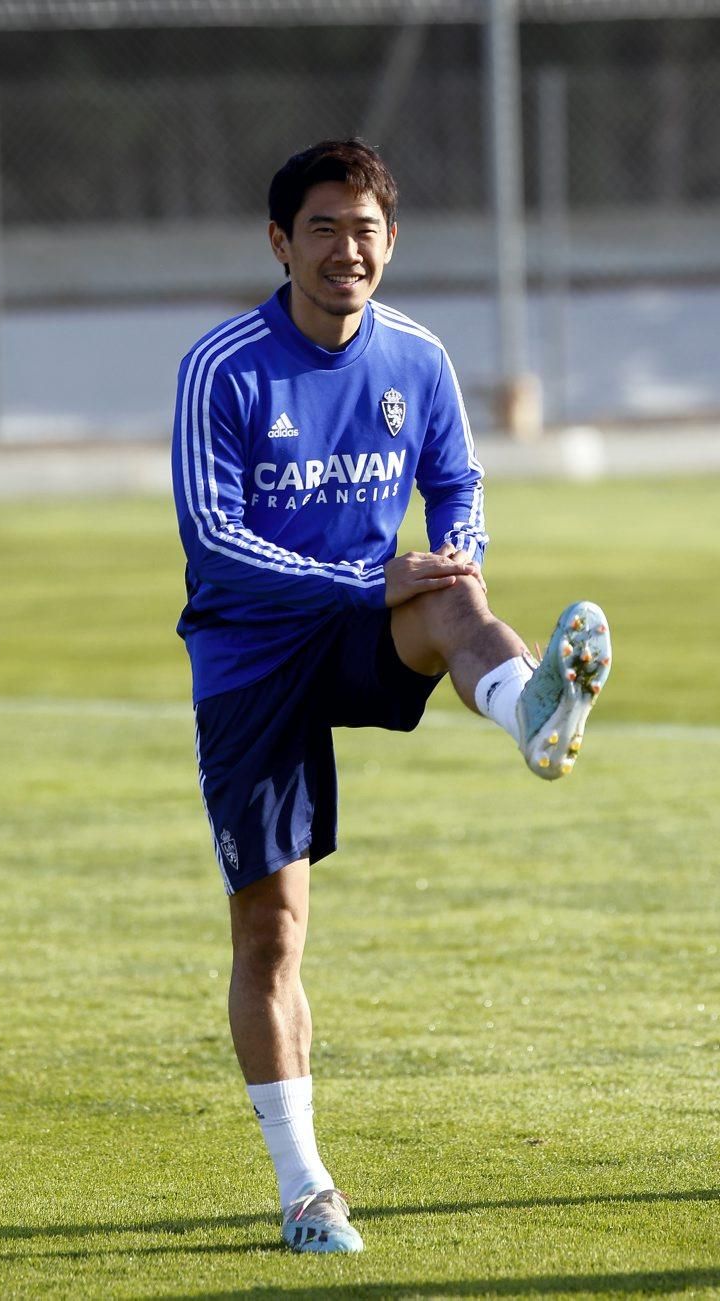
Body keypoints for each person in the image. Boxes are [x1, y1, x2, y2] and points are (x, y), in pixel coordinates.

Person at [171, 139, 611, 1254]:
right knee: (270, 931)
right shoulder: (223, 367)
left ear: (390, 242)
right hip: (255, 656)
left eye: (364, 228)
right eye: (321, 227)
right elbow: (213, 540)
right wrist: (364, 576)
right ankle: (305, 1185)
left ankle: (532, 709)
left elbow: (455, 483)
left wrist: (452, 548)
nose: (345, 248)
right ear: (280, 243)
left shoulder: (416, 355)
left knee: (454, 601)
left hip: (372, 622)